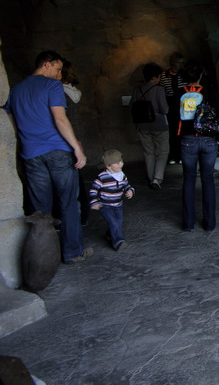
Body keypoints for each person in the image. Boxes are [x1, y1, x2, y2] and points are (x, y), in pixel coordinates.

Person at [3, 50, 92, 264]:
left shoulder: (14, 90)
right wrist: (77, 149)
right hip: (58, 151)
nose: (59, 74)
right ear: (46, 64)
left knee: (41, 210)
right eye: (58, 69)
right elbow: (60, 119)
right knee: (69, 203)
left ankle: (45, 258)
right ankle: (72, 252)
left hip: (31, 154)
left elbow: (11, 120)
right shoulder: (52, 86)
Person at [179, 61, 219, 232]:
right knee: (208, 180)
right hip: (208, 139)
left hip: (188, 140)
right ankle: (209, 224)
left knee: (188, 179)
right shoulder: (210, 92)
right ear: (201, 75)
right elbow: (218, 116)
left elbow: (174, 118)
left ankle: (188, 223)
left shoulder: (178, 93)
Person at [59, 59, 91, 225]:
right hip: (76, 138)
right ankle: (83, 214)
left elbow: (62, 120)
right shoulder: (74, 92)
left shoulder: (60, 93)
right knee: (77, 178)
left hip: (67, 140)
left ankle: (77, 217)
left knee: (71, 183)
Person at [133, 63, 170, 189]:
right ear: (154, 77)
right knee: (162, 151)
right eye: (159, 76)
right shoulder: (159, 89)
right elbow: (164, 109)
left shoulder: (137, 89)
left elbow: (132, 107)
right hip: (159, 124)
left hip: (142, 125)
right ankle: (157, 178)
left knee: (149, 152)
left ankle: (150, 177)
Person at [89, 150, 134, 251]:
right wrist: (94, 202)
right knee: (113, 223)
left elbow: (127, 186)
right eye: (118, 163)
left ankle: (110, 235)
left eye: (121, 161)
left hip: (118, 205)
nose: (121, 164)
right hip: (105, 206)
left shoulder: (122, 175)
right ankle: (118, 242)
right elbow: (93, 190)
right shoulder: (102, 177)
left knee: (118, 222)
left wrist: (130, 191)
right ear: (109, 166)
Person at [159, 52, 185, 165]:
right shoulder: (164, 75)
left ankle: (180, 155)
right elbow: (161, 90)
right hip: (169, 105)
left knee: (182, 131)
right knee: (171, 131)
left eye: (181, 63)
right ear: (172, 62)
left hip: (183, 104)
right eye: (177, 63)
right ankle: (173, 155)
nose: (179, 65)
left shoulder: (184, 74)